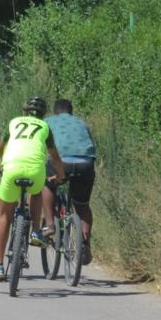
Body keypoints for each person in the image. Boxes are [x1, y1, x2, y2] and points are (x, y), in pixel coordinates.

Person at [0, 97, 65, 281]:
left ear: (25, 112)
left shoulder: (14, 123)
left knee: (4, 216)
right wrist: (60, 175)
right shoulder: (45, 127)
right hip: (35, 170)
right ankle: (36, 230)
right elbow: (55, 157)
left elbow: (0, 148)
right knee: (36, 191)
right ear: (43, 115)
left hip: (11, 168)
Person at [41, 99, 97, 265]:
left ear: (55, 111)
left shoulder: (47, 121)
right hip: (85, 164)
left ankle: (50, 224)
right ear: (71, 111)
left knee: (48, 186)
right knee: (82, 204)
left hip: (61, 162)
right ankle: (85, 244)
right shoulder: (81, 123)